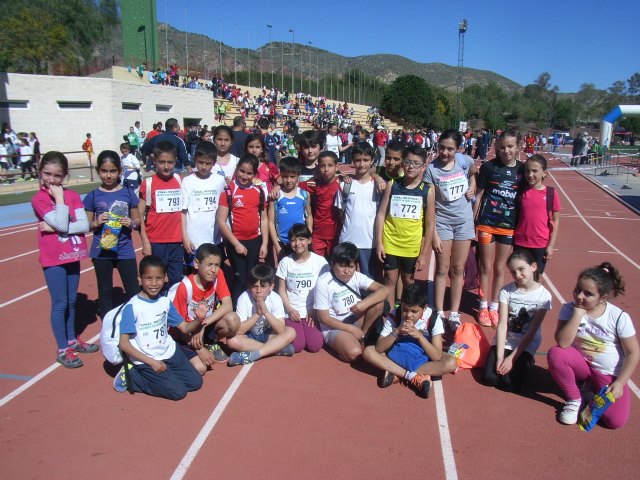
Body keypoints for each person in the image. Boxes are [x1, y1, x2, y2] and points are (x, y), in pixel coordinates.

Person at [547, 263, 639, 428]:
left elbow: (633, 353)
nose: (579, 296)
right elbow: (562, 342)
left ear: (602, 297)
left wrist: (619, 383)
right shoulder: (569, 309)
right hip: (582, 366)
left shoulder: (618, 317)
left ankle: (591, 389)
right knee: (556, 354)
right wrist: (577, 314)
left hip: (608, 373)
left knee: (614, 422)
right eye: (578, 289)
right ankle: (575, 398)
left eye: (588, 294)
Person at [32, 151, 96, 368]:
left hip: (72, 254)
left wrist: (57, 226)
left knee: (71, 301)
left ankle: (72, 340)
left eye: (57, 175)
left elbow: (84, 225)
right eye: (47, 174)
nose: (52, 180)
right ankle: (62, 348)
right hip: (53, 259)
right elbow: (62, 222)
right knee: (60, 303)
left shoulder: (73, 196)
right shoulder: (40, 199)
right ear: (40, 173)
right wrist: (59, 200)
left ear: (65, 176)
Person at [113, 256, 204, 400]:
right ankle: (132, 377)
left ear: (165, 278)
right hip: (147, 358)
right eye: (149, 278)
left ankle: (166, 377)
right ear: (139, 279)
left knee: (195, 383)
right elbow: (123, 344)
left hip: (169, 351)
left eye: (159, 278)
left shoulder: (165, 302)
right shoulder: (133, 307)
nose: (154, 283)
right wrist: (152, 362)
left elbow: (185, 328)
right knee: (179, 392)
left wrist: (199, 319)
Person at [363, 284, 457, 398]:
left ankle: (395, 371)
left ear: (425, 308)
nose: (408, 315)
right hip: (398, 351)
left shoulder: (434, 319)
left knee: (451, 363)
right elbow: (379, 348)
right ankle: (412, 376)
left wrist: (419, 336)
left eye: (414, 311)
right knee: (368, 351)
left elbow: (436, 356)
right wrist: (396, 331)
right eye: (405, 310)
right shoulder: (395, 314)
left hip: (422, 354)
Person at [424, 130, 477, 330]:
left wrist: (472, 185)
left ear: (458, 149)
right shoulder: (431, 170)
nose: (445, 152)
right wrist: (434, 234)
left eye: (450, 149)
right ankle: (438, 312)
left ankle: (454, 313)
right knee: (441, 269)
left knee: (457, 270)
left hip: (463, 222)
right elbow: (430, 204)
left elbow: (474, 173)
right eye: (442, 147)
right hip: (442, 222)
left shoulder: (464, 161)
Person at [474, 130, 525, 328]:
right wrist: (474, 221)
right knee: (485, 267)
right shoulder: (488, 167)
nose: (506, 151)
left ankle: (494, 307)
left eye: (510, 146)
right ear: (496, 148)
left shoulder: (522, 170)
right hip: (487, 223)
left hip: (508, 227)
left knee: (499, 268)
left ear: (517, 148)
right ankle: (483, 306)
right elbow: (478, 196)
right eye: (502, 147)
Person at [481, 250, 551, 391]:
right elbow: (502, 325)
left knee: (509, 384)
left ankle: (527, 360)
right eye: (513, 272)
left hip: (526, 343)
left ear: (533, 267)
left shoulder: (544, 296)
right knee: (489, 378)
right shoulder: (506, 291)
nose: (517, 275)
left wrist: (512, 358)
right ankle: (504, 359)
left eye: (521, 269)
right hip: (506, 341)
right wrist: (500, 357)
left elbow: (532, 331)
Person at [83, 150, 141, 318]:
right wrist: (96, 222)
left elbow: (137, 220)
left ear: (120, 171)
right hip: (102, 252)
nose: (108, 175)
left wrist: (132, 223)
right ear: (98, 171)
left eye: (113, 171)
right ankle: (108, 327)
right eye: (104, 171)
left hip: (124, 249)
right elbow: (87, 225)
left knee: (132, 289)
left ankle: (135, 322)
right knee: (105, 290)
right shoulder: (92, 196)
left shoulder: (128, 193)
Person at [375, 144, 434, 308]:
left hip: (411, 245)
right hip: (390, 242)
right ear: (403, 163)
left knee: (408, 281)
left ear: (423, 167)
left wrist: (424, 254)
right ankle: (389, 317)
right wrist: (379, 242)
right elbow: (381, 214)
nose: (411, 167)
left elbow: (430, 225)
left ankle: (406, 315)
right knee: (389, 279)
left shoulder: (427, 191)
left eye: (416, 164)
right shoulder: (392, 185)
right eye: (408, 162)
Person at [170, 243, 240, 373]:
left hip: (203, 325)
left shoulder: (218, 276)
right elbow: (179, 328)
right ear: (196, 264)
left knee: (233, 319)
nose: (213, 270)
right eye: (209, 264)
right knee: (201, 369)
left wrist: (202, 325)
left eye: (217, 265)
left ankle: (209, 342)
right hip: (185, 333)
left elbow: (228, 305)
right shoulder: (185, 288)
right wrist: (199, 350)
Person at [314, 242, 388, 363]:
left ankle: (363, 336)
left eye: (351, 266)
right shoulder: (323, 282)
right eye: (342, 266)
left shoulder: (356, 276)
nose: (347, 271)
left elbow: (384, 290)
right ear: (332, 265)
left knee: (379, 303)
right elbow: (324, 318)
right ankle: (348, 341)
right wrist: (351, 330)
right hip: (334, 326)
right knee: (354, 353)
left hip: (356, 319)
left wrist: (364, 304)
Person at [216, 155, 268, 304]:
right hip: (235, 242)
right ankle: (234, 310)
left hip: (254, 241)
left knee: (251, 277)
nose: (244, 176)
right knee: (239, 277)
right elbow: (221, 221)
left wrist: (264, 243)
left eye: (249, 173)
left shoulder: (259, 191)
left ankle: (248, 308)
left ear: (255, 175)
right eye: (241, 171)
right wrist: (236, 244)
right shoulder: (228, 191)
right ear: (237, 170)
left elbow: (263, 219)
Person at [226, 264, 296, 365]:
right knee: (231, 341)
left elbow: (280, 329)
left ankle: (253, 355)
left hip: (267, 334)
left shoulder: (275, 298)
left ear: (271, 286)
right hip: (249, 336)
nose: (259, 291)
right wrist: (258, 314)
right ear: (250, 286)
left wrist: (266, 312)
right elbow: (239, 330)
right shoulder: (244, 298)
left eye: (263, 286)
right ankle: (276, 349)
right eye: (255, 286)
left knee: (291, 332)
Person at [138, 141, 184, 293]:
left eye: (170, 162)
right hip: (156, 241)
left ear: (175, 161)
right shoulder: (148, 184)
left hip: (177, 242)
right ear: (154, 161)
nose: (166, 166)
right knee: (156, 282)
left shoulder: (179, 180)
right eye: (161, 162)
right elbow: (139, 215)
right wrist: (145, 241)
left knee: (176, 280)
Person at [276, 224, 328, 353]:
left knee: (315, 345)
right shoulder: (285, 262)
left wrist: (316, 310)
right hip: (292, 311)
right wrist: (289, 309)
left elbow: (326, 289)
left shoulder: (320, 262)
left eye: (301, 239)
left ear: (309, 240)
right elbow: (281, 289)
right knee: (298, 346)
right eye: (293, 240)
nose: (297, 243)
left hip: (312, 311)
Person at [180, 141, 227, 271]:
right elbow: (183, 212)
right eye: (200, 162)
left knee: (214, 274)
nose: (204, 167)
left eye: (208, 163)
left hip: (214, 239)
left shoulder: (219, 180)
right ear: (195, 160)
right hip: (193, 241)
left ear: (214, 162)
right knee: (194, 275)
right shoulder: (187, 181)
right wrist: (185, 238)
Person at [513, 154, 561, 278]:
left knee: (536, 278)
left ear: (544, 173)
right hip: (520, 243)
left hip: (540, 244)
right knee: (521, 277)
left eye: (534, 171)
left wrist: (551, 246)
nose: (530, 175)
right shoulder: (520, 192)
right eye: (527, 170)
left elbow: (555, 222)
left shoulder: (551, 193)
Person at [338, 142, 381, 278]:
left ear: (372, 161)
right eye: (357, 160)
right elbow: (340, 212)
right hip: (347, 240)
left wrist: (378, 177)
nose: (361, 164)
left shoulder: (378, 186)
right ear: (352, 161)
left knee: (368, 279)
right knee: (345, 277)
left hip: (370, 242)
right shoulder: (345, 184)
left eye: (366, 160)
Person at [268, 156, 312, 259]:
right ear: (280, 175)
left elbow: (309, 216)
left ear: (298, 176)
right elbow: (270, 222)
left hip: (301, 242)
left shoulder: (304, 195)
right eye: (285, 176)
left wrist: (308, 235)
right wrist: (277, 246)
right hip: (282, 243)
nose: (288, 180)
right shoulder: (275, 196)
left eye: (292, 177)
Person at [301, 151, 342, 258]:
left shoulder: (342, 184)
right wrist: (279, 186)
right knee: (318, 265)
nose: (326, 169)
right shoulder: (315, 183)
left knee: (335, 265)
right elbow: (294, 184)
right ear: (318, 167)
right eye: (323, 166)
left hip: (336, 233)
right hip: (318, 233)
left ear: (337, 166)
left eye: (330, 165)